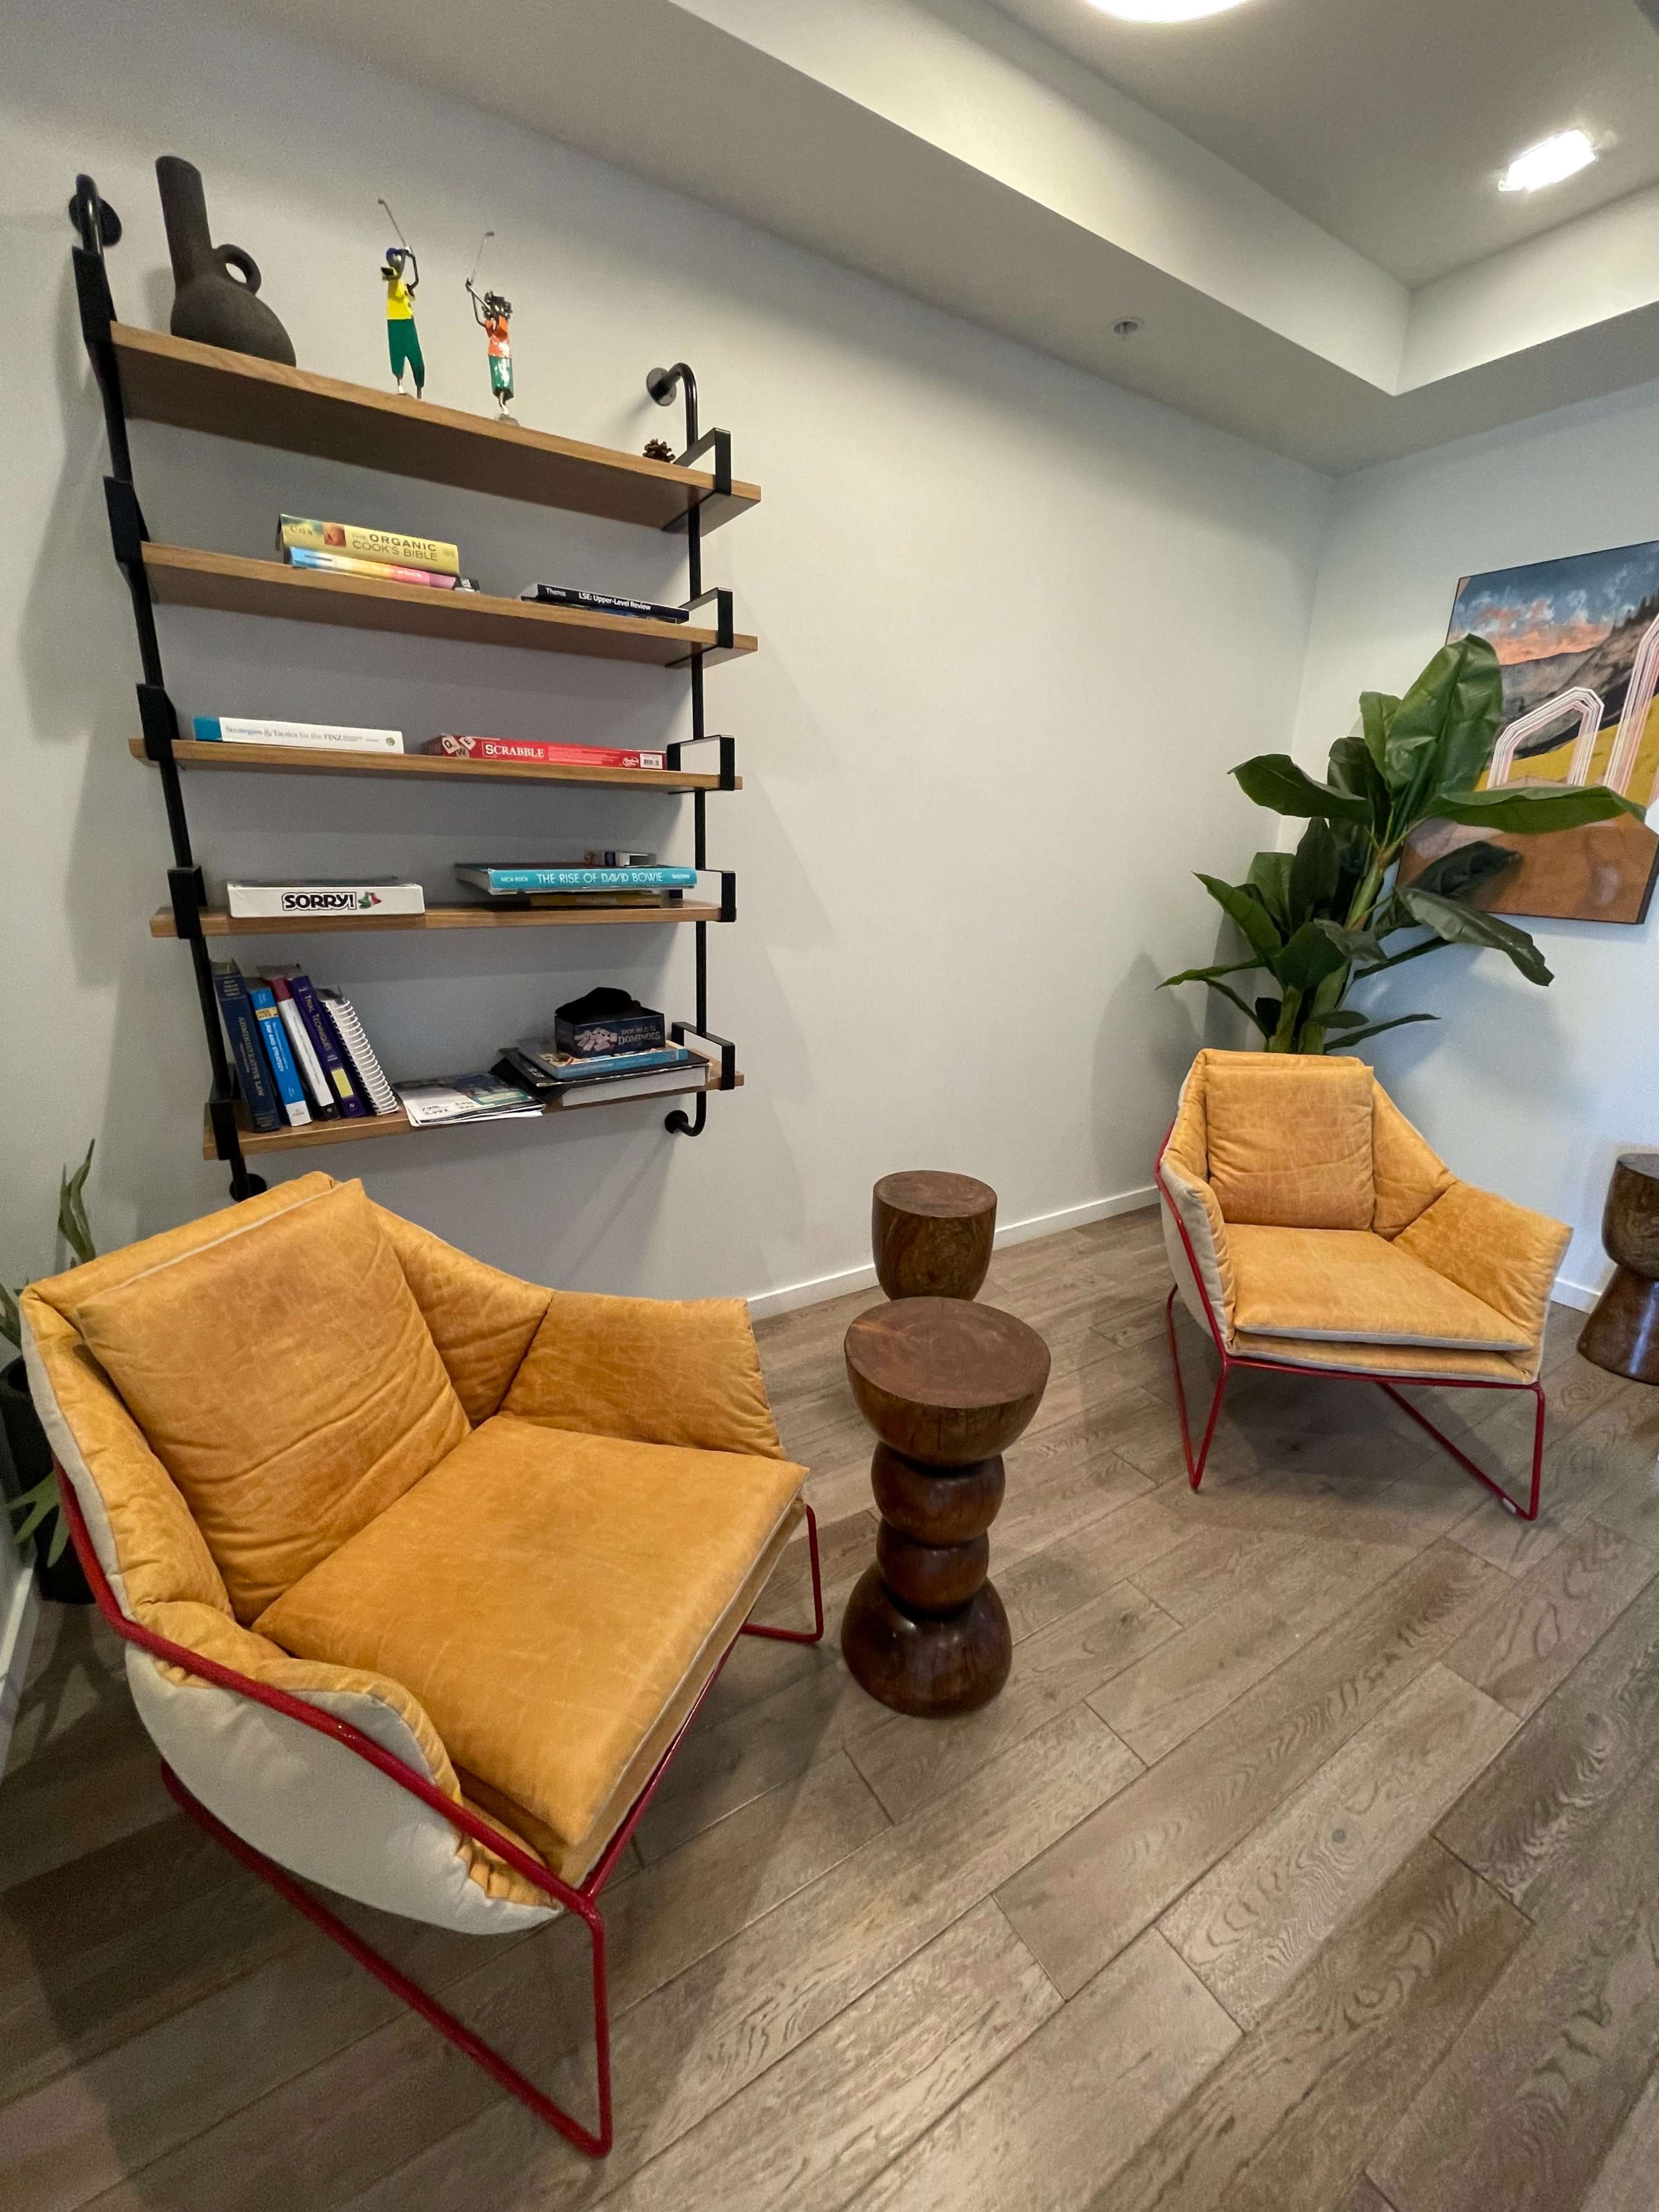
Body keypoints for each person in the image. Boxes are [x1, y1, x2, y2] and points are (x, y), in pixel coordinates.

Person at [467, 280, 514, 419]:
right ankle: (504, 407)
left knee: (505, 384)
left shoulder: (502, 325)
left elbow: (500, 330)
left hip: (503, 355)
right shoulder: (496, 327)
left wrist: (494, 314)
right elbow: (486, 326)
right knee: (501, 384)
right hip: (496, 354)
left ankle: (504, 407)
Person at [382, 244, 424, 398]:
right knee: (397, 354)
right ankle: (400, 386)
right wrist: (406, 255)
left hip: (408, 322)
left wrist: (412, 259)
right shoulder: (388, 273)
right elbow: (396, 275)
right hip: (395, 321)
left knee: (416, 357)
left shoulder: (403, 283)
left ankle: (419, 390)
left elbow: (414, 284)